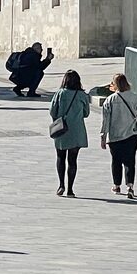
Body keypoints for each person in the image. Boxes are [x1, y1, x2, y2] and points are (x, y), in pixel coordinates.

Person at [99, 73, 137, 198]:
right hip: (131, 134)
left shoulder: (110, 100)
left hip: (114, 136)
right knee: (130, 161)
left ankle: (116, 185)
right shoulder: (134, 97)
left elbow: (106, 120)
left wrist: (103, 136)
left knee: (116, 161)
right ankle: (130, 186)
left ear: (114, 85)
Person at [49, 69, 90, 197]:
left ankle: (61, 185)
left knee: (60, 157)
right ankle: (70, 189)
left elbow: (52, 111)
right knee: (73, 160)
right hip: (77, 130)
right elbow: (86, 113)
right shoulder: (82, 95)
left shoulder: (60, 93)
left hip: (62, 129)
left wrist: (57, 118)